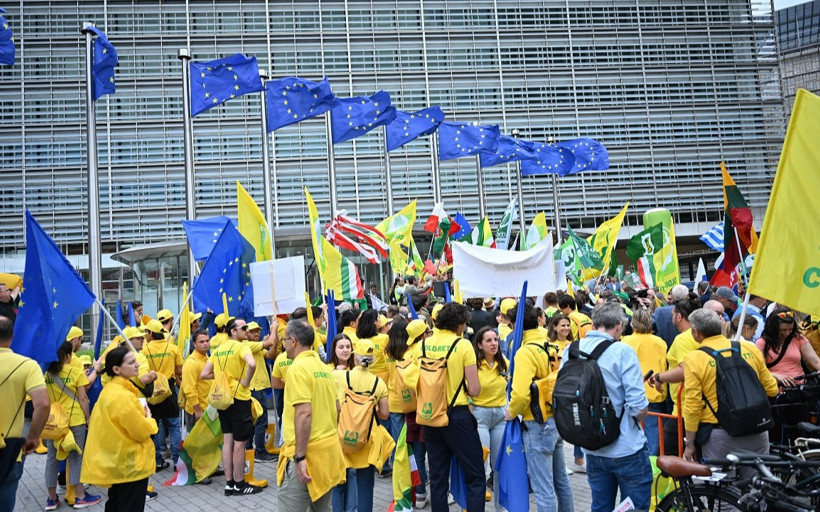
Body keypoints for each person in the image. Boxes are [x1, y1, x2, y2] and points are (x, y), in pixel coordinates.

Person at [562, 303, 651, 512]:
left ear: (593, 324)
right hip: (626, 447)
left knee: (601, 506)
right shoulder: (623, 351)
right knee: (634, 508)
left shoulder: (572, 350)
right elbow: (638, 406)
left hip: (592, 446)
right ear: (619, 326)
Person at [681, 309, 778, 477]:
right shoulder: (749, 348)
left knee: (722, 489)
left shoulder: (695, 358)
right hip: (757, 428)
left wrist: (690, 443)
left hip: (721, 434)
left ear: (696, 332)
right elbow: (772, 389)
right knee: (759, 486)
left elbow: (692, 405)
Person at [416, 303, 484, 512]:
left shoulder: (423, 345)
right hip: (457, 416)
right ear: (459, 324)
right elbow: (474, 389)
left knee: (438, 478)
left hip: (430, 415)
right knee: (475, 476)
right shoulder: (462, 345)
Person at [506, 303, 573, 512]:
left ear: (516, 325)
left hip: (536, 421)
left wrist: (511, 412)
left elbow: (520, 393)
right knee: (561, 481)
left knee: (543, 488)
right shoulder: (551, 345)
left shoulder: (525, 352)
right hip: (556, 418)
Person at [277, 320, 344, 511]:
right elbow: (338, 408)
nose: (283, 344)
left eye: (284, 340)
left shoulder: (297, 369)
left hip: (307, 456)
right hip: (327, 453)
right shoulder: (324, 368)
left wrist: (300, 457)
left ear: (293, 341)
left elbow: (304, 413)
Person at [81, 347, 158, 512]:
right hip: (130, 466)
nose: (137, 365)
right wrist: (149, 419)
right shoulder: (122, 396)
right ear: (116, 369)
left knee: (115, 504)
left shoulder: (111, 391)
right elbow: (140, 431)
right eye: (131, 362)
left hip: (118, 462)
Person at [200, 318, 262, 495]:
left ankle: (229, 484)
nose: (247, 330)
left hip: (223, 398)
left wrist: (223, 376)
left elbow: (204, 374)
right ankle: (240, 484)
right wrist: (245, 381)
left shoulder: (218, 349)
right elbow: (252, 364)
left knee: (227, 440)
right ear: (233, 331)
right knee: (240, 443)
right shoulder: (242, 347)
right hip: (239, 397)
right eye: (243, 327)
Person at [333, 338, 391, 512]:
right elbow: (385, 414)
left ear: (355, 357)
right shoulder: (379, 383)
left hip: (342, 436)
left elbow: (335, 406)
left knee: (338, 484)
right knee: (365, 486)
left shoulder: (340, 376)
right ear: (372, 360)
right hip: (367, 439)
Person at [0, 315, 49, 512]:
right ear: (12, 336)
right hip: (10, 449)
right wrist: (33, 437)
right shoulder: (27, 365)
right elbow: (43, 404)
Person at [43, 341, 100, 510]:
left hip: (54, 422)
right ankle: (80, 496)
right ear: (68, 356)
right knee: (76, 457)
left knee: (52, 458)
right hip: (75, 420)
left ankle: (51, 499)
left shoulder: (46, 374)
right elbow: (83, 398)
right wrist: (88, 419)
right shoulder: (75, 372)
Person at [384, 319, 429, 508]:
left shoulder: (388, 352)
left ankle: (409, 488)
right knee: (419, 450)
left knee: (402, 450)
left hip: (396, 403)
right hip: (416, 405)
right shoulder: (413, 353)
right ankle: (421, 488)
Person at [651, 297, 701, 455]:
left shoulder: (682, 339)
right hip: (697, 406)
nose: (671, 317)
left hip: (684, 408)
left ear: (679, 316)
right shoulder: (700, 335)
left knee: (664, 458)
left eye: (673, 314)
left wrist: (660, 377)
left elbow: (686, 371)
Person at [620, 307, 667, 456]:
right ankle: (652, 459)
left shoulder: (625, 341)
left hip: (632, 390)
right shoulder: (660, 342)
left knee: (632, 429)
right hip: (654, 390)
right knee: (653, 429)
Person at [472, 326, 509, 510]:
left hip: (500, 417)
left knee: (500, 467)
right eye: (488, 340)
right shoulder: (473, 365)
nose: (494, 343)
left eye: (495, 339)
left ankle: (500, 508)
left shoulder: (505, 363)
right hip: (480, 417)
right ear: (479, 345)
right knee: (481, 465)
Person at [141, 319, 183, 471]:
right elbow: (179, 370)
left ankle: (158, 461)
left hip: (152, 392)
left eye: (146, 332)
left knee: (155, 426)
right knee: (174, 426)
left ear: (151, 333)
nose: (145, 335)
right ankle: (177, 462)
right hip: (169, 391)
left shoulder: (144, 351)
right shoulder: (172, 348)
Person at [547, 313, 585, 473]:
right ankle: (560, 463)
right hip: (554, 390)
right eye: (562, 325)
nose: (566, 328)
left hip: (572, 389)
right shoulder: (548, 345)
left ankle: (579, 459)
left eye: (568, 325)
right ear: (554, 327)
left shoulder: (574, 345)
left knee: (575, 423)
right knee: (558, 427)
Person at [328, 333, 357, 512]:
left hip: (355, 427)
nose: (345, 350)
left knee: (352, 472)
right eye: (341, 347)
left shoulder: (357, 371)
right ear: (334, 349)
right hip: (335, 428)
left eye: (348, 347)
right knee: (338, 475)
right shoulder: (327, 371)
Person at [756, 308, 820, 387]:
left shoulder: (798, 338)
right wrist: (776, 375)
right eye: (784, 330)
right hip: (775, 388)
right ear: (774, 328)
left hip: (800, 386)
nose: (787, 333)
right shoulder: (762, 343)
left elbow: (816, 361)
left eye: (790, 329)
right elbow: (760, 370)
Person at [244, 321, 278, 463]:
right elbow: (269, 343)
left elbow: (270, 355)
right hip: (255, 388)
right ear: (246, 333)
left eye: (258, 331)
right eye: (253, 331)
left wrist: (274, 342)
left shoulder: (255, 347)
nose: (256, 333)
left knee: (253, 421)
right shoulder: (248, 345)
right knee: (261, 421)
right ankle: (260, 452)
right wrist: (274, 329)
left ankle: (249, 450)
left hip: (257, 387)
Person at [181, 330, 211, 430]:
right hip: (197, 411)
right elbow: (189, 389)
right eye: (201, 342)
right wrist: (198, 410)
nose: (205, 344)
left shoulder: (207, 358)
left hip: (208, 408)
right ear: (194, 344)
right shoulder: (191, 363)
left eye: (207, 341)